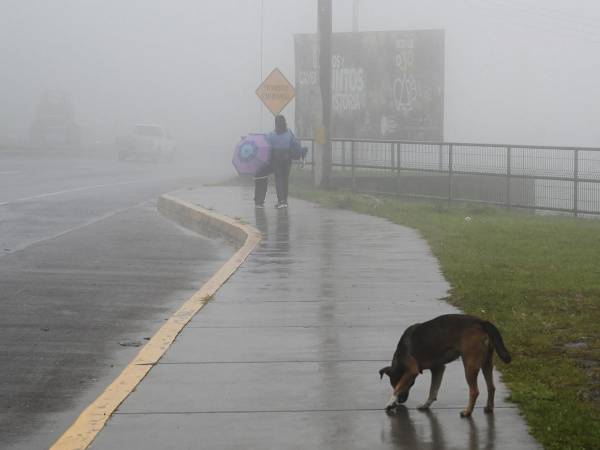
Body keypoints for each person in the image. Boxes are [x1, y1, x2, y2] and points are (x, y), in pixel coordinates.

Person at [268, 114, 298, 208]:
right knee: (285, 179)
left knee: (279, 179)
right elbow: (294, 142)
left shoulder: (272, 134)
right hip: (287, 157)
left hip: (276, 158)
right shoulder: (289, 132)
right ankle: (285, 200)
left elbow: (269, 146)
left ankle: (281, 201)